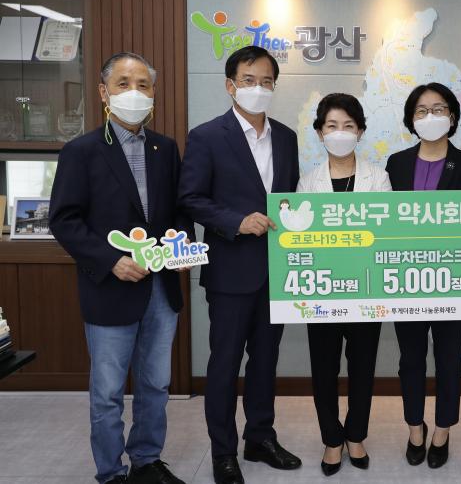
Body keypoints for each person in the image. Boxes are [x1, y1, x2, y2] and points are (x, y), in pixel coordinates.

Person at [49, 52, 192, 484]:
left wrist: (181, 246)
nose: (135, 92)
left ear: (154, 93)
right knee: (108, 391)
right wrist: (111, 260)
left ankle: (146, 460)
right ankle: (111, 472)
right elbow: (65, 220)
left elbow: (179, 210)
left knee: (156, 384)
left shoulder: (165, 148)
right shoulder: (81, 151)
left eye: (143, 85)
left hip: (161, 289)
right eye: (124, 83)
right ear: (103, 92)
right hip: (110, 289)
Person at [178, 46, 301, 484]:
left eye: (266, 81)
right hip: (230, 271)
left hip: (277, 270)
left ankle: (260, 438)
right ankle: (223, 451)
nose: (258, 88)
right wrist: (236, 221)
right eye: (249, 80)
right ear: (231, 85)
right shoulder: (207, 136)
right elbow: (190, 198)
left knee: (265, 361)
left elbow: (290, 199)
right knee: (225, 364)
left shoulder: (286, 137)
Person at [385, 82, 461, 469]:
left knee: (448, 360)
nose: (431, 116)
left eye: (439, 109)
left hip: (450, 278)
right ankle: (415, 428)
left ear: (453, 116)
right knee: (410, 359)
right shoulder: (396, 164)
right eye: (422, 110)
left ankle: (442, 431)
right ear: (411, 119)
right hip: (406, 280)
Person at [297, 93, 391, 476]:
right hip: (322, 291)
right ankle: (332, 439)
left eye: (348, 126)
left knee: (363, 367)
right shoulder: (307, 181)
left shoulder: (378, 177)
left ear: (360, 131)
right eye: (332, 126)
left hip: (366, 289)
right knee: (324, 369)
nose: (340, 133)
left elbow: (385, 233)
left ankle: (356, 435)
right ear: (320, 132)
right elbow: (298, 239)